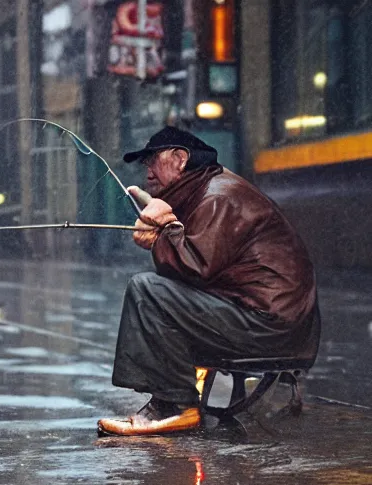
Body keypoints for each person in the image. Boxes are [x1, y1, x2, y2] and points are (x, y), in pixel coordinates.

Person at [97, 126, 320, 436]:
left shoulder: (219, 196)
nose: (146, 170)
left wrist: (166, 231)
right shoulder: (207, 191)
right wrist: (167, 224)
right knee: (156, 296)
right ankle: (166, 401)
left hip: (271, 325)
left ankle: (174, 406)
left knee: (147, 291)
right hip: (269, 319)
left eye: (152, 160)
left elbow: (195, 266)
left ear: (180, 158)